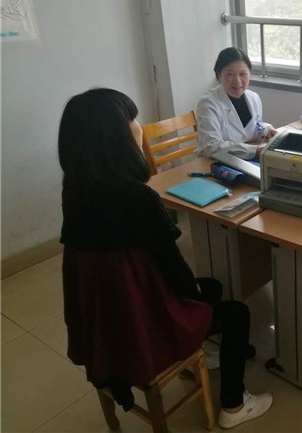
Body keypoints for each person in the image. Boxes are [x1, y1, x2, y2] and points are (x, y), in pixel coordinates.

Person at [58, 88, 272, 429]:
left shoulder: (74, 192)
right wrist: (191, 293)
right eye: (131, 119)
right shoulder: (139, 198)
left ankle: (209, 353)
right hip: (144, 322)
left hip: (109, 316)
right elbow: (173, 267)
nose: (137, 125)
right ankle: (233, 405)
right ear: (115, 138)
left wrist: (193, 290)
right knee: (237, 313)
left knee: (212, 286)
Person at [196, 47, 278, 159]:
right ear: (219, 75)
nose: (237, 81)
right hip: (213, 162)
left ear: (250, 74)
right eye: (230, 74)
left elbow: (254, 126)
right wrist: (254, 150)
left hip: (243, 159)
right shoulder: (208, 104)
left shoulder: (254, 98)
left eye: (243, 74)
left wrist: (266, 129)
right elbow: (212, 147)